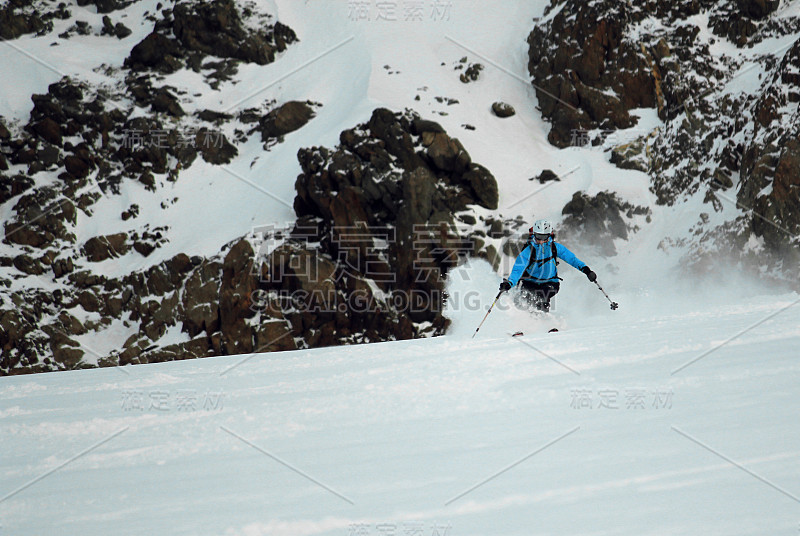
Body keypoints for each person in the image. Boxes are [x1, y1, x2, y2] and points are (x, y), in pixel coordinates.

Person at [499, 219, 596, 313]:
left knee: (542, 298)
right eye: (538, 236)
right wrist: (510, 283)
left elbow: (572, 259)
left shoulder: (555, 247)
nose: (541, 241)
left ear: (549, 235)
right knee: (523, 301)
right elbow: (518, 269)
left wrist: (587, 270)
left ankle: (544, 322)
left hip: (550, 283)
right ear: (534, 235)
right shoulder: (528, 251)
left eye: (544, 237)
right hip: (529, 282)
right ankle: (526, 324)